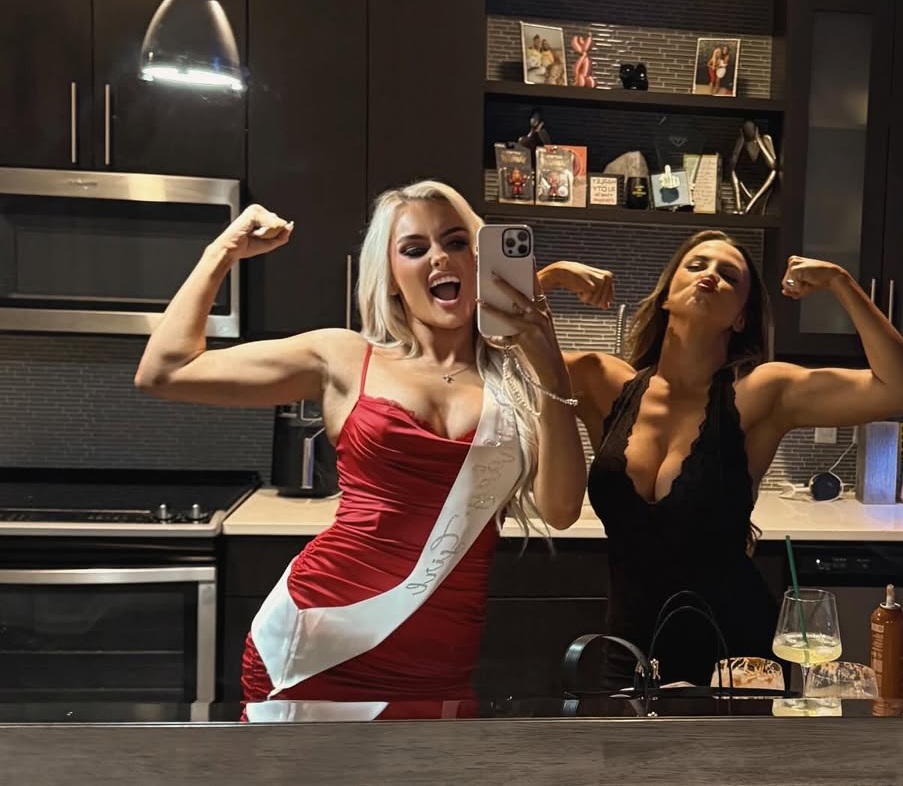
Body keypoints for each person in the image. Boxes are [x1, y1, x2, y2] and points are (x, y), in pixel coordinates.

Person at [134, 180, 586, 705]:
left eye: (457, 242)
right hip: (317, 642)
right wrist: (223, 251)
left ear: (480, 259)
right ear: (391, 279)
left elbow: (561, 511)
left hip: (439, 663)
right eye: (414, 249)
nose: (440, 257)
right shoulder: (344, 357)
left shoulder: (520, 380)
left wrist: (548, 359)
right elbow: (164, 371)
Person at [538, 233, 903, 686]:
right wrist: (548, 279)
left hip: (736, 661)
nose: (709, 275)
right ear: (666, 295)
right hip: (630, 652)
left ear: (742, 316)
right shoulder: (601, 381)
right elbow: (491, 357)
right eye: (696, 265)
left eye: (728, 275)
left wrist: (841, 282)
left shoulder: (760, 393)